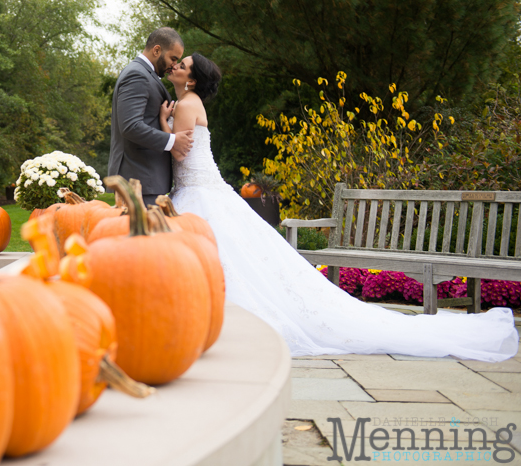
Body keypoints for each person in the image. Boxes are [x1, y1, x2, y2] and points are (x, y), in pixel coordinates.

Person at [160, 53, 518, 361]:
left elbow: (180, 149)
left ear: (191, 79)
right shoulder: (189, 103)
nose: (176, 66)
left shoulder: (188, 105)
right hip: (201, 189)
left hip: (199, 191)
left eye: (183, 65)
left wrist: (162, 125)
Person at [108, 28, 193, 206]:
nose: (174, 65)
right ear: (156, 50)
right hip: (138, 181)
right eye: (173, 58)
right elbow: (130, 126)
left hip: (145, 181)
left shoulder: (145, 74)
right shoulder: (137, 75)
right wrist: (172, 140)